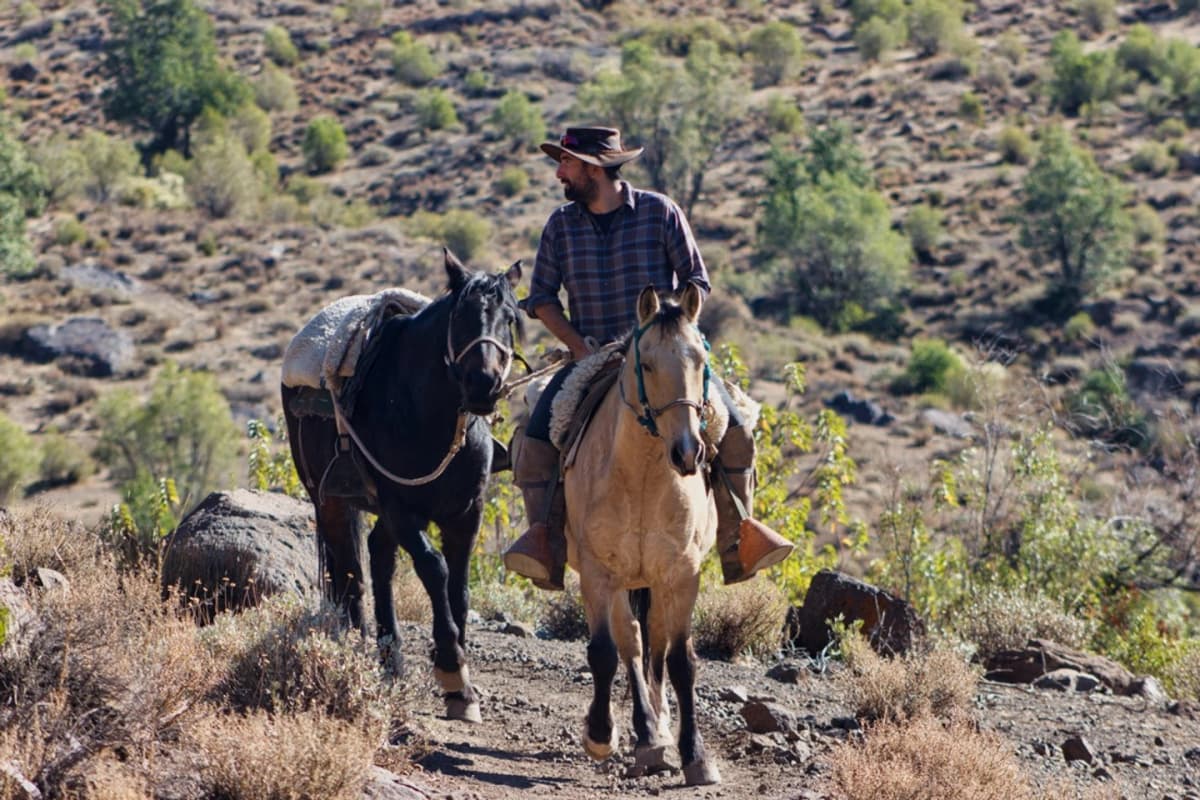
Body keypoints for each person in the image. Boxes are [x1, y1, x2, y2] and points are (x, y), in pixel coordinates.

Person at [502, 126, 793, 591]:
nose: (559, 172)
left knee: (735, 432)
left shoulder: (660, 212)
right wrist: (577, 344)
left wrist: (673, 326)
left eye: (567, 163)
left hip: (666, 356)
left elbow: (696, 280)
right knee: (536, 442)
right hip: (594, 357)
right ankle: (546, 544)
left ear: (594, 168)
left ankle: (742, 539)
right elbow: (541, 299)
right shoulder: (560, 224)